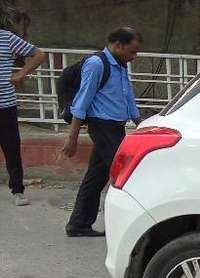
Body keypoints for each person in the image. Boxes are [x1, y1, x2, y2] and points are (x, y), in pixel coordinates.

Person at [61, 27, 141, 237]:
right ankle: (131, 226)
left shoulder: (121, 65)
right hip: (102, 126)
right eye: (131, 51)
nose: (134, 57)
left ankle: (78, 224)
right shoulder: (96, 64)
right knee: (126, 173)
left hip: (116, 127)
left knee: (96, 177)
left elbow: (127, 95)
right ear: (117, 45)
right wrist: (72, 138)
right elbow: (82, 102)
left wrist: (139, 122)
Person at [0, 28, 46, 206]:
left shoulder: (6, 37)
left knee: (11, 147)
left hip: (5, 104)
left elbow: (39, 54)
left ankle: (17, 190)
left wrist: (22, 73)